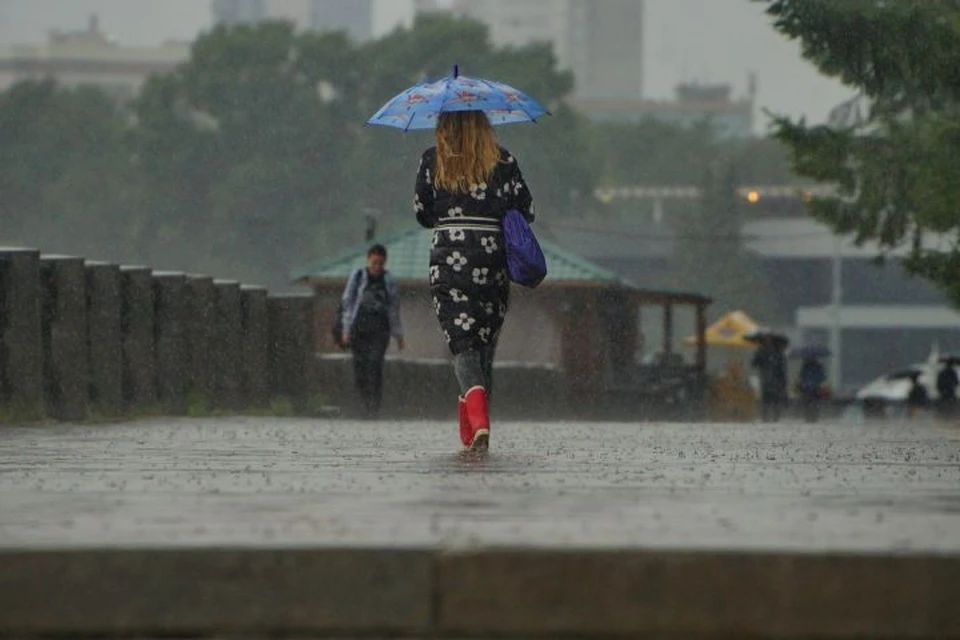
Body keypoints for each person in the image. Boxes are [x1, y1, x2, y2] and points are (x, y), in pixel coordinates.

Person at [414, 110, 534, 452]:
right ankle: (472, 432)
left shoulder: (432, 159)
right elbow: (526, 208)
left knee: (462, 341)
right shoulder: (503, 159)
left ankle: (479, 424)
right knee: (482, 343)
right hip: (491, 256)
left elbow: (423, 212)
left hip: (450, 259)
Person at [340, 244, 405, 419]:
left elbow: (393, 307)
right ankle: (362, 403)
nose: (377, 267)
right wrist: (346, 330)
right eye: (374, 262)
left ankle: (374, 406)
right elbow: (348, 302)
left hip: (380, 329)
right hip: (359, 328)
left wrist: (398, 335)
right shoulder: (359, 276)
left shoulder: (389, 280)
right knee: (360, 366)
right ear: (368, 260)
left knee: (375, 364)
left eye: (380, 263)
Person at [751, 336, 788, 422]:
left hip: (775, 381)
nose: (768, 343)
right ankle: (766, 418)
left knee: (774, 400)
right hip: (766, 381)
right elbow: (754, 364)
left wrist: (783, 382)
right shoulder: (762, 352)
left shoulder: (778, 354)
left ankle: (775, 418)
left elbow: (782, 369)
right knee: (767, 400)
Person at [796, 356, 827, 423]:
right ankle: (814, 416)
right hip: (815, 388)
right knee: (814, 403)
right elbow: (822, 377)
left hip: (807, 388)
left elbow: (801, 376)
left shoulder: (805, 366)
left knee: (807, 403)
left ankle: (808, 416)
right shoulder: (819, 366)